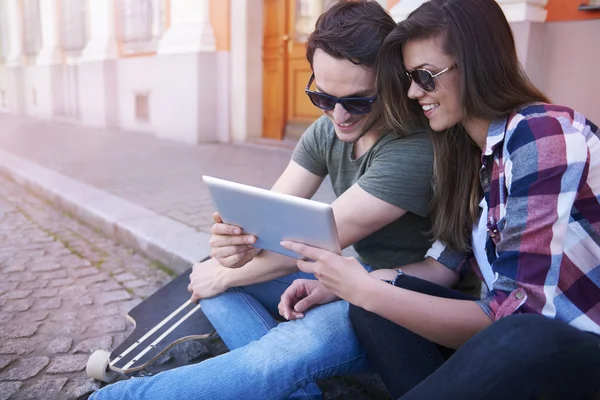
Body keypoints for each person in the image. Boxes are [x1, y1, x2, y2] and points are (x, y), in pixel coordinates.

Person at [88, 2, 464, 399]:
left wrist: (227, 271)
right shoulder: (327, 131)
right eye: (323, 97)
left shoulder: (413, 150)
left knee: (272, 343)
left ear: (389, 83)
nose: (339, 116)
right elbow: (267, 223)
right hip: (350, 276)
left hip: (399, 300)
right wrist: (232, 247)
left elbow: (313, 241)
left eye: (357, 101)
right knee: (211, 280)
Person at [279, 0, 600, 398]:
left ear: (477, 65)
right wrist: (354, 284)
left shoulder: (544, 135)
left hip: (577, 349)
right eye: (410, 77)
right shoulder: (467, 153)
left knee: (519, 336)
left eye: (426, 76)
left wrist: (366, 289)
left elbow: (519, 313)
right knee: (376, 304)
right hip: (516, 350)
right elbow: (441, 267)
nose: (413, 92)